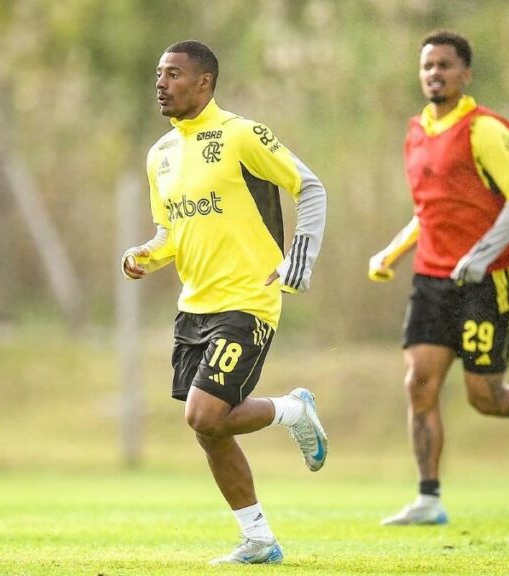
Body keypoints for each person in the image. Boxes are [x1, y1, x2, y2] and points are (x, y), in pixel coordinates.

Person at [367, 31, 509, 525]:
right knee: (420, 384)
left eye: (445, 65)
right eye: (428, 65)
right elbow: (427, 212)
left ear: (465, 74)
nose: (435, 73)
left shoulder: (486, 129)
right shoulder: (415, 131)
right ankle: (428, 498)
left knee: (485, 397)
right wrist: (391, 250)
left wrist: (480, 255)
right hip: (432, 275)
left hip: (488, 278)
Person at [121, 40, 328, 565]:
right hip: (194, 307)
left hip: (249, 299)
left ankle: (292, 410)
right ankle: (258, 540)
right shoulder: (159, 155)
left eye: (172, 74)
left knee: (205, 413)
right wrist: (145, 254)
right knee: (207, 428)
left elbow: (310, 187)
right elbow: (170, 233)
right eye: (158, 74)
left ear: (204, 82)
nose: (161, 84)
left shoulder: (241, 134)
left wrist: (298, 258)